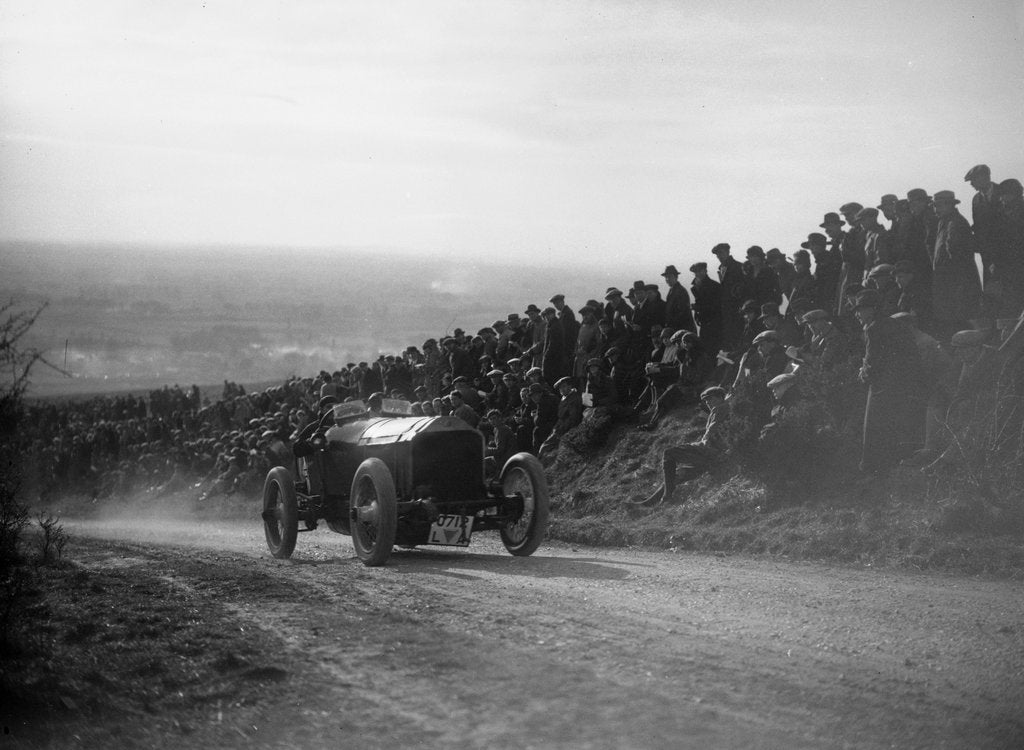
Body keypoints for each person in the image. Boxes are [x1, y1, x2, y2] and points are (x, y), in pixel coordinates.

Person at [853, 289, 926, 474]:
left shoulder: (874, 329)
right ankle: (891, 466)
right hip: (904, 383)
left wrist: (863, 375)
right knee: (895, 427)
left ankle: (872, 470)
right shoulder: (894, 323)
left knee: (873, 428)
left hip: (883, 386)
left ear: (872, 309)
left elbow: (872, 363)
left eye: (860, 309)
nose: (857, 314)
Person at [637, 386, 732, 506]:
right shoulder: (723, 407)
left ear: (719, 397)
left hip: (712, 452)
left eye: (710, 399)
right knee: (675, 474)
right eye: (706, 401)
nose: (708, 403)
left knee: (669, 453)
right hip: (716, 457)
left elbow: (714, 425)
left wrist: (705, 439)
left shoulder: (721, 407)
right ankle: (649, 502)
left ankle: (666, 496)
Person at [931, 190, 982, 340]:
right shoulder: (944, 222)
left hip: (957, 284)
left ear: (950, 205)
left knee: (960, 322)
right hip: (948, 284)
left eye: (939, 206)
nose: (936, 209)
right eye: (935, 206)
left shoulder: (956, 223)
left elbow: (956, 255)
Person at [965, 164, 1003, 288]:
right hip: (987, 254)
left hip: (1005, 253)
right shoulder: (976, 199)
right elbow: (978, 226)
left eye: (973, 180)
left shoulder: (1003, 192)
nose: (971, 184)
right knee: (991, 293)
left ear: (984, 177)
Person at [538, 376, 583, 460]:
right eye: (560, 388)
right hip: (560, 427)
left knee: (546, 448)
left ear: (570, 386)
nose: (562, 390)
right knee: (544, 447)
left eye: (564, 386)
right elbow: (560, 417)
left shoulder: (574, 398)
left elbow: (573, 418)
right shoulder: (564, 399)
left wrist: (560, 429)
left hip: (568, 428)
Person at [713, 243, 748, 349]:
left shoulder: (738, 266)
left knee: (738, 337)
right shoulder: (722, 268)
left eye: (721, 253)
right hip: (727, 311)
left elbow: (743, 289)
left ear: (728, 252)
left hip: (737, 310)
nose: (719, 256)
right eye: (717, 254)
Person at [690, 262, 723, 355]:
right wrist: (697, 315)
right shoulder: (696, 287)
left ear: (705, 271)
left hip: (714, 323)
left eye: (700, 271)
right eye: (696, 272)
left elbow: (715, 306)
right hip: (704, 322)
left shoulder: (714, 286)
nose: (698, 274)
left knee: (712, 349)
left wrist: (697, 308)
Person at [662, 265, 697, 333]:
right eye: (666, 277)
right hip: (677, 328)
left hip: (683, 328)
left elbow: (682, 313)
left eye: (670, 277)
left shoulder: (680, 291)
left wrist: (671, 324)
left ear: (676, 277)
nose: (667, 279)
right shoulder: (672, 291)